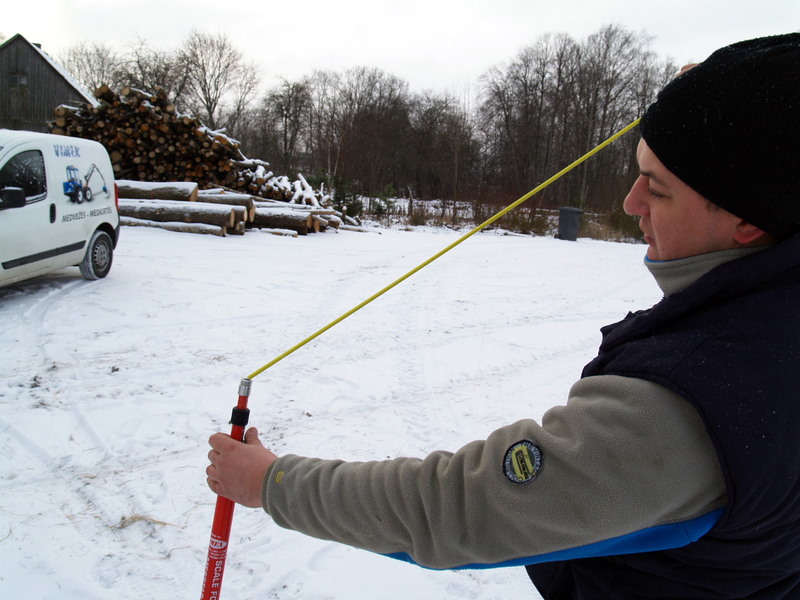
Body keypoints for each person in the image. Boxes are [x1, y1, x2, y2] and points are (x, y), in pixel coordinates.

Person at [206, 33, 800, 599]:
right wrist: (746, 88)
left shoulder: (690, 405)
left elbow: (457, 509)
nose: (630, 202)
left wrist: (270, 483)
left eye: (657, 187)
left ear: (748, 220)